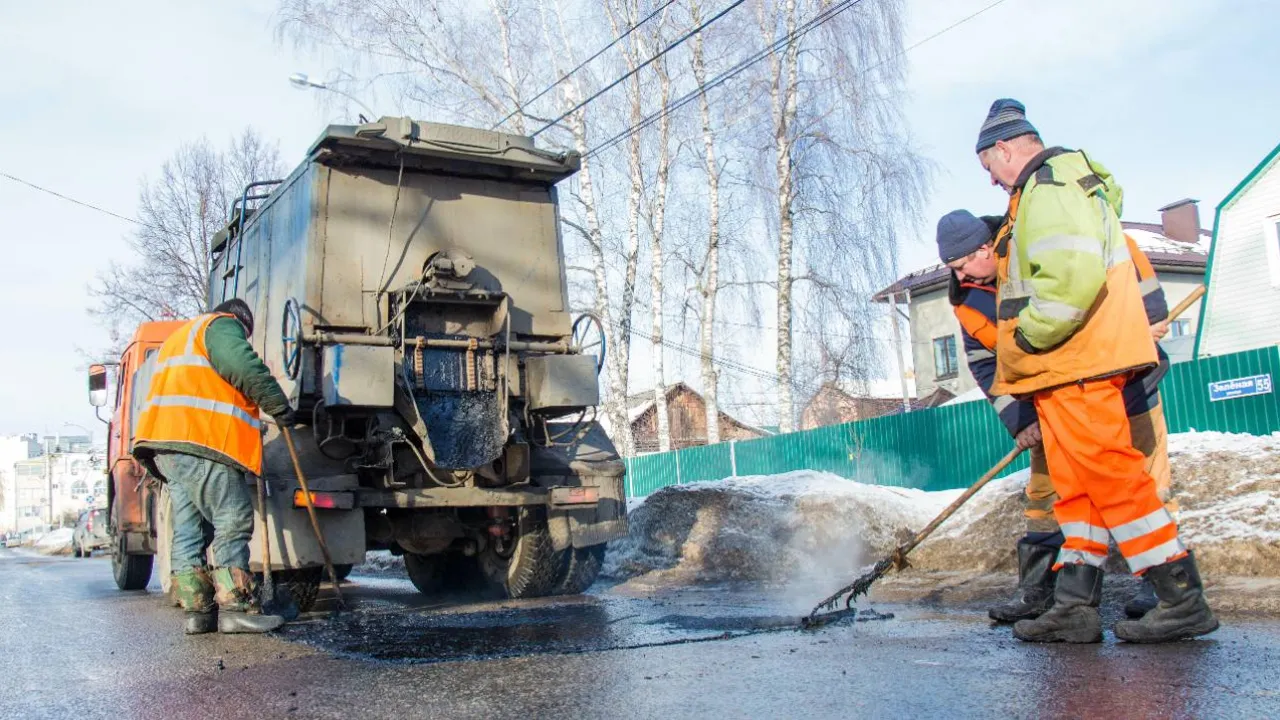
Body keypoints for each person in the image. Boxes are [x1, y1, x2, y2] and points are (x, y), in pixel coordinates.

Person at [972, 98, 1217, 643]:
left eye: (989, 168)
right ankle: (1075, 605)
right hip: (1061, 369)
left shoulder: (1053, 188)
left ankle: (1181, 598)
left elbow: (1071, 277)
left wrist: (1032, 336)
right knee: (1077, 489)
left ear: (1005, 149)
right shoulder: (1042, 191)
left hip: (1077, 360)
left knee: (1112, 477)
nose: (991, 181)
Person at [936, 210, 1179, 625]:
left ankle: (1164, 586)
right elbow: (985, 365)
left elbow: (1122, 252)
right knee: (1048, 496)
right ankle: (1043, 591)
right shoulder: (966, 298)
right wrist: (1019, 418)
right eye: (953, 270)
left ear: (984, 250)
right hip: (1052, 402)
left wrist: (1152, 313)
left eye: (961, 267)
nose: (959, 278)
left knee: (1142, 480)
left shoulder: (1033, 243)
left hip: (1128, 378)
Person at [135, 299, 296, 635]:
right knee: (233, 517)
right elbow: (245, 367)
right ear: (237, 320)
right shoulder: (220, 326)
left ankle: (197, 612)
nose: (242, 338)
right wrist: (279, 406)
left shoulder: (180, 338)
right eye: (244, 333)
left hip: (166, 445)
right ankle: (236, 607)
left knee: (191, 529)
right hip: (201, 442)